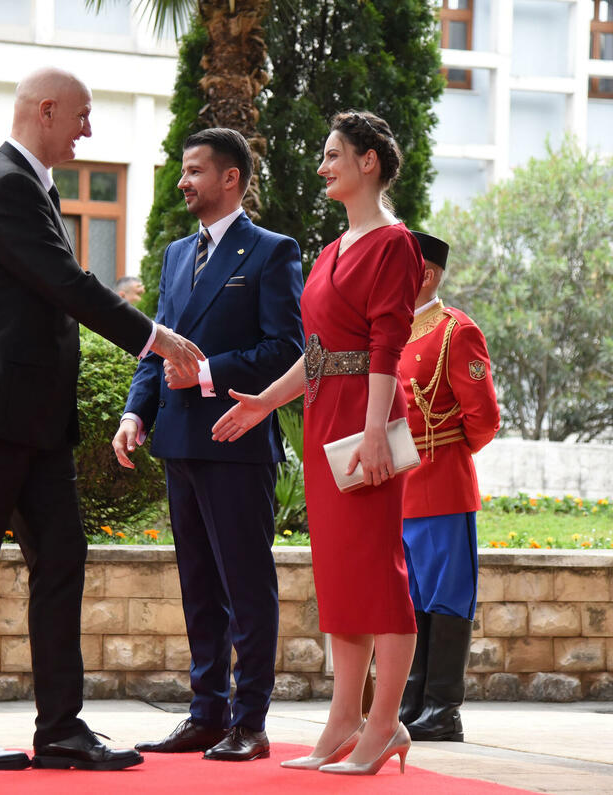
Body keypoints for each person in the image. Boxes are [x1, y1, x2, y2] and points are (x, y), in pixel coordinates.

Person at [0, 67, 204, 772]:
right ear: (46, 111)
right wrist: (158, 338)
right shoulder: (6, 186)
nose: (88, 130)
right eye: (81, 115)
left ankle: (61, 729)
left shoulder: (28, 187)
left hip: (33, 423)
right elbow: (70, 289)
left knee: (63, 558)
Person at [212, 110, 424, 776]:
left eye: (334, 154)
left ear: (369, 162)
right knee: (339, 575)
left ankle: (385, 722)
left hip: (368, 419)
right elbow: (319, 353)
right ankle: (342, 720)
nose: (322, 164)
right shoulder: (332, 250)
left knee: (378, 572)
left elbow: (388, 342)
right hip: (329, 417)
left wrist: (374, 431)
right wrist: (264, 405)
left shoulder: (395, 243)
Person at [114, 128, 304, 762]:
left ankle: (250, 721)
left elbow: (287, 350)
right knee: (197, 584)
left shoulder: (273, 253)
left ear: (231, 179)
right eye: (182, 170)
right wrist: (134, 413)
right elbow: (157, 345)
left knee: (246, 585)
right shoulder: (174, 256)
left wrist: (204, 373)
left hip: (236, 437)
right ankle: (205, 713)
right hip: (178, 441)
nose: (183, 181)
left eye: (195, 170)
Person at [397, 231, 499, 742]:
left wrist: (446, 452)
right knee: (411, 597)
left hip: (440, 481)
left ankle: (442, 707)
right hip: (399, 485)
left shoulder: (457, 332)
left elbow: (483, 418)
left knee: (447, 597)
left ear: (428, 275)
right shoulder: (394, 331)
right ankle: (413, 700)